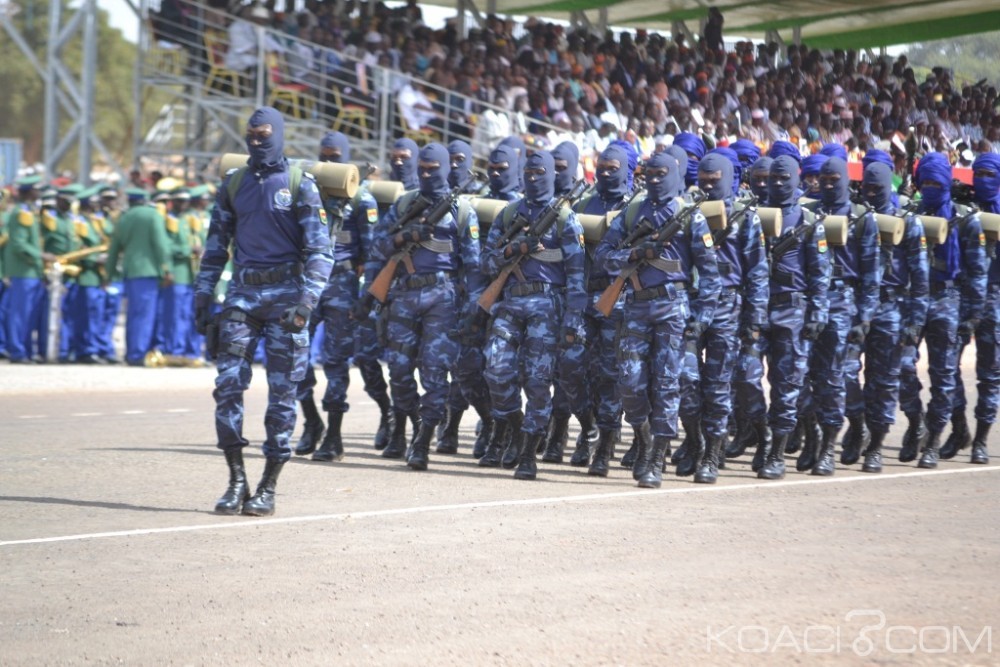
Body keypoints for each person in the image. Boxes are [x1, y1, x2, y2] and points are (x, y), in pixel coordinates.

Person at [194, 106, 333, 516]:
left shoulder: (299, 184)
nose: (257, 142)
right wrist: (203, 297)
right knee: (228, 386)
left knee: (283, 393)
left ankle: (268, 486)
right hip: (242, 296)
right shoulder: (233, 184)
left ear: (280, 135)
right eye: (251, 135)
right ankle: (236, 479)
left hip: (288, 300)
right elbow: (215, 247)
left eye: (264, 134)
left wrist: (307, 302)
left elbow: (320, 252)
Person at [594, 151, 721, 488]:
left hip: (672, 308)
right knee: (630, 382)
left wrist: (702, 316)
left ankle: (655, 459)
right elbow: (603, 256)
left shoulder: (689, 216)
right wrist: (635, 254)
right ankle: (645, 441)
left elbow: (710, 274)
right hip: (635, 305)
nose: (653, 179)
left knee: (667, 383)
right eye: (647, 173)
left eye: (660, 173)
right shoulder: (633, 212)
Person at [367, 142, 484, 470]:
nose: (428, 174)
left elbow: (472, 267)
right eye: (424, 168)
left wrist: (473, 310)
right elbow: (377, 247)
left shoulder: (462, 211)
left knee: (434, 372)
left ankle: (423, 439)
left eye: (435, 169)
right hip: (404, 296)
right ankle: (406, 426)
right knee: (400, 371)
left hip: (442, 298)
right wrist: (404, 238)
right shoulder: (405, 203)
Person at [480, 150, 586, 480]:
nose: (533, 177)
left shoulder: (565, 218)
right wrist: (513, 250)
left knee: (538, 381)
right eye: (528, 171)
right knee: (495, 369)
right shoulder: (509, 213)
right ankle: (514, 427)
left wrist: (573, 320)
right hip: (510, 303)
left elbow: (577, 274)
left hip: (548, 305)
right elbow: (485, 263)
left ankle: (528, 452)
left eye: (540, 172)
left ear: (552, 175)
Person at [295, 131, 393, 462]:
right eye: (324, 156)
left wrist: (364, 299)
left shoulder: (361, 199)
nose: (329, 163)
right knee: (295, 355)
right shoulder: (306, 190)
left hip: (341, 284)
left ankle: (333, 437)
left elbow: (372, 255)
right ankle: (311, 420)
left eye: (335, 157)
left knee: (336, 362)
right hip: (307, 284)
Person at [899, 152, 988, 468]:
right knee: (901, 366)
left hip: (948, 302)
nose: (931, 188)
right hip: (914, 301)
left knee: (944, 375)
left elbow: (977, 273)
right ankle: (916, 422)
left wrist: (971, 316)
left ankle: (935, 440)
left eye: (937, 182)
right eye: (926, 183)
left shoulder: (965, 219)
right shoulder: (910, 215)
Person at [685, 152, 769, 483]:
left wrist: (754, 321)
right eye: (703, 180)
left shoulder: (746, 218)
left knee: (720, 384)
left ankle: (712, 454)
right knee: (686, 379)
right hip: (692, 306)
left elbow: (758, 273)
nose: (707, 186)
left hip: (728, 308)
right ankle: (695, 442)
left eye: (714, 180)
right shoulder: (688, 212)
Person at [804, 156, 880, 476]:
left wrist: (864, 317)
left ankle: (829, 447)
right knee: (803, 375)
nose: (829, 185)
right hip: (808, 300)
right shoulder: (808, 212)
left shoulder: (862, 218)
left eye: (835, 179)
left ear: (847, 181)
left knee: (835, 376)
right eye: (824, 179)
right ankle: (813, 437)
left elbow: (871, 272)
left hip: (842, 300)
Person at [852, 161, 928, 472]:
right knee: (843, 373)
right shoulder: (855, 217)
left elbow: (920, 278)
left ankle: (877, 445)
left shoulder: (908, 223)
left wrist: (914, 321)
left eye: (877, 189)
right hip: (857, 306)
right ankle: (859, 427)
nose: (870, 194)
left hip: (893, 308)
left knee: (885, 380)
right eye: (865, 188)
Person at [758, 155, 830, 480]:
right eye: (772, 178)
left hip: (793, 310)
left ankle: (777, 453)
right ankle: (763, 437)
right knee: (744, 377)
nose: (777, 184)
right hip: (758, 308)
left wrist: (817, 313)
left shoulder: (809, 220)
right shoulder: (754, 216)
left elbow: (820, 273)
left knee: (787, 384)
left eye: (783, 178)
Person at [944, 152, 1000, 464]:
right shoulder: (966, 207)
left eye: (990, 176)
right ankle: (959, 428)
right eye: (977, 175)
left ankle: (980, 440)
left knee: (990, 374)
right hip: (961, 297)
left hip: (995, 299)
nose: (982, 182)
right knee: (946, 367)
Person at [107, 188, 173, 367]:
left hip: (130, 271)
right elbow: (160, 245)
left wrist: (109, 272)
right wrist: (167, 269)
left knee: (133, 314)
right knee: (145, 315)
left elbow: (114, 248)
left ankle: (132, 352)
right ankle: (138, 354)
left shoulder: (124, 217)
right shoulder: (152, 215)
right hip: (148, 271)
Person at [3, 176, 46, 364]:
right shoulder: (21, 213)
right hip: (23, 270)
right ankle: (17, 351)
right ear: (29, 192)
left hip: (31, 271)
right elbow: (19, 244)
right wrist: (41, 256)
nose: (39, 193)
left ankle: (26, 350)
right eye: (37, 190)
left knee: (29, 314)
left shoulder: (29, 212)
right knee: (19, 313)